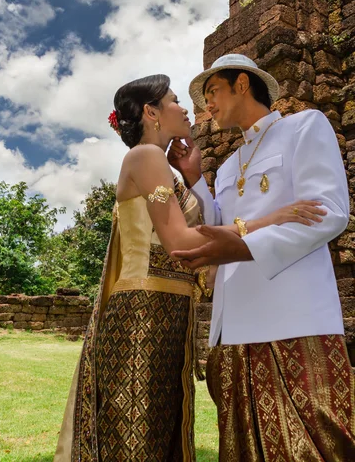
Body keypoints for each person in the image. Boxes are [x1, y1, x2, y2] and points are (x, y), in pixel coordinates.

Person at [54, 74, 326, 462]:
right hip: (142, 313)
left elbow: (203, 225)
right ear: (152, 113)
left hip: (168, 310)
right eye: (175, 100)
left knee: (160, 428)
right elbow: (180, 242)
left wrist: (192, 174)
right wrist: (272, 219)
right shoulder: (145, 156)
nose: (186, 108)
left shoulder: (163, 166)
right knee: (137, 432)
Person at [168, 53, 355, 461]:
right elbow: (223, 223)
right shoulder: (233, 161)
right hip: (234, 323)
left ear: (242, 83)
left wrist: (243, 245)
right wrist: (195, 177)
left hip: (295, 316)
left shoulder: (305, 127)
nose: (207, 105)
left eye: (212, 91)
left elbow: (329, 213)